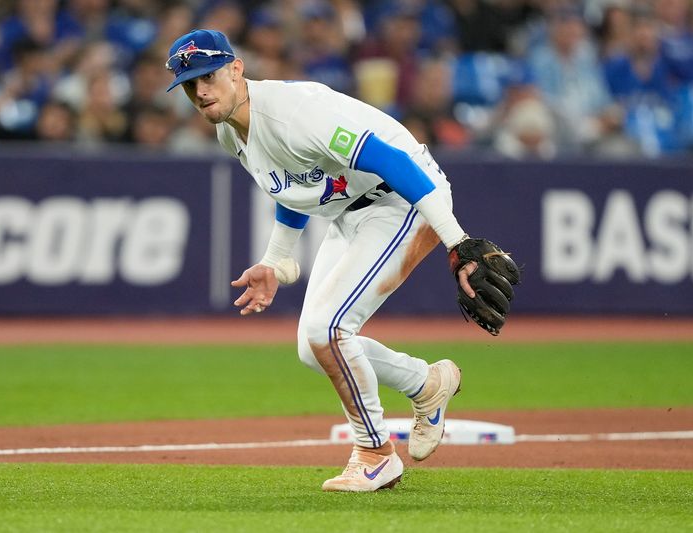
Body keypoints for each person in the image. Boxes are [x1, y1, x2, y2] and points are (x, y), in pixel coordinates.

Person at [165, 29, 487, 493]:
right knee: (313, 346)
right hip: (350, 209)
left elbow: (393, 162)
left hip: (404, 197)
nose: (201, 92)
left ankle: (375, 454)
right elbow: (294, 185)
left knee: (326, 330)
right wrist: (276, 259)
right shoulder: (228, 131)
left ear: (236, 69)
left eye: (209, 76)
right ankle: (427, 383)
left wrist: (457, 241)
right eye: (190, 84)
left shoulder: (295, 113)